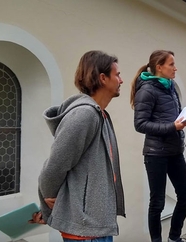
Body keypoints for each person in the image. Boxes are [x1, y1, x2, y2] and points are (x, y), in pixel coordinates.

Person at [30, 50, 125, 242]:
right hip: (85, 232)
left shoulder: (101, 116)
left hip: (97, 225)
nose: (121, 80)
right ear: (103, 78)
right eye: (117, 74)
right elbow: (54, 167)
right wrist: (51, 200)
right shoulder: (84, 115)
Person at [130, 50, 186, 242]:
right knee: (157, 203)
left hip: (175, 151)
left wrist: (182, 119)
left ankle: (174, 238)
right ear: (159, 67)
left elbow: (169, 115)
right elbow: (140, 124)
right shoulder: (147, 90)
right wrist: (172, 126)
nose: (175, 68)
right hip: (156, 154)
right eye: (171, 64)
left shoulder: (171, 86)